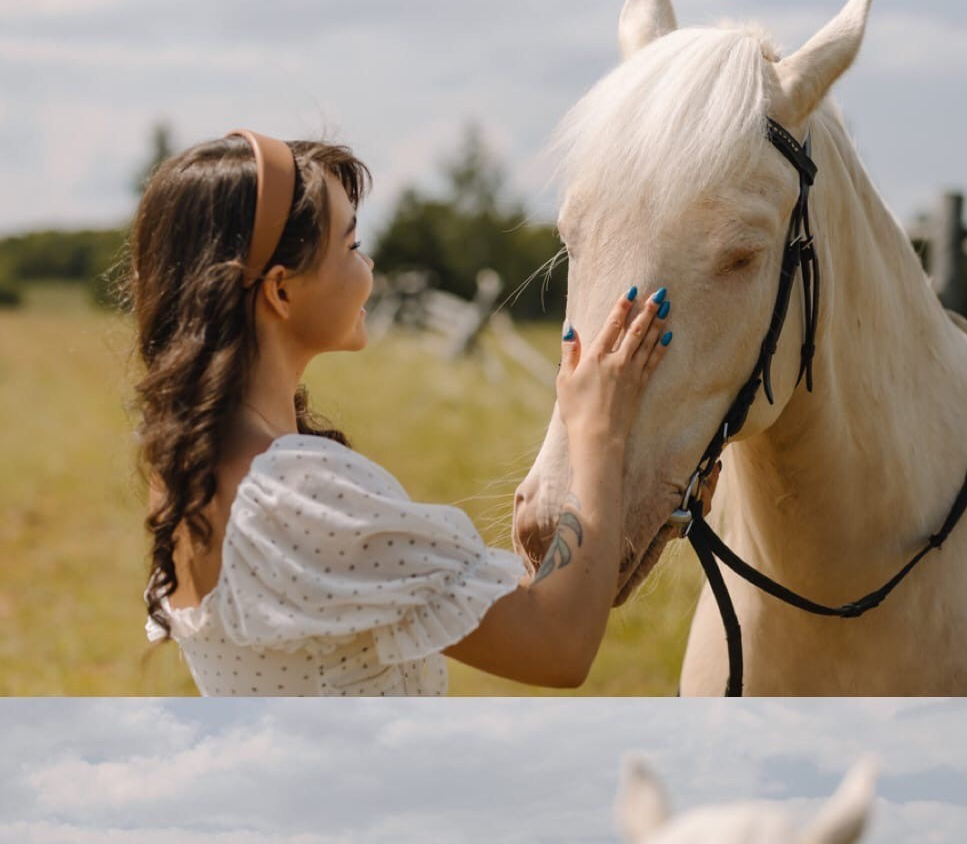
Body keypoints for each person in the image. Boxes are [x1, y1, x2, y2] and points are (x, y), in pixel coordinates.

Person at [128, 130, 675, 696]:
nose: (369, 265)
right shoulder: (292, 495)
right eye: (351, 246)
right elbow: (556, 645)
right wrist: (597, 432)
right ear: (281, 291)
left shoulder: (188, 471)